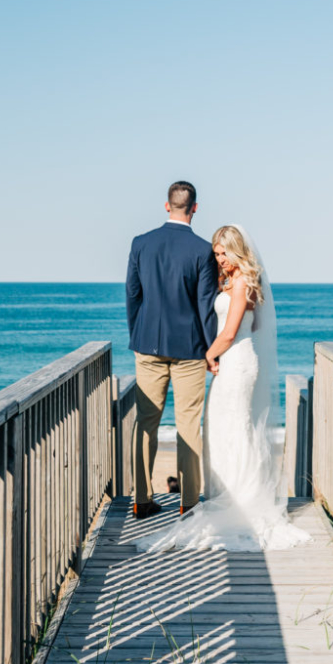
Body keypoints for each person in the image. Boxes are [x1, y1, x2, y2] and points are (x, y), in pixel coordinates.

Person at [136, 224, 308, 551]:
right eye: (215, 253)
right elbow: (251, 325)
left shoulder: (242, 282)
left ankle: (241, 503)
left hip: (238, 363)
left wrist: (207, 355)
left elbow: (230, 333)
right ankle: (230, 495)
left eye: (223, 253)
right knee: (222, 429)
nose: (218, 259)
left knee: (236, 430)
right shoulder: (235, 281)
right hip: (233, 361)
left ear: (237, 250)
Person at [126, 180, 218, 518]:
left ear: (167, 206)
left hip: (147, 343)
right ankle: (189, 501)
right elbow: (205, 305)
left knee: (146, 422)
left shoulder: (141, 244)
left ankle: (141, 499)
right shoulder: (202, 250)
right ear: (194, 208)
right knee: (188, 423)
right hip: (190, 347)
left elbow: (133, 295)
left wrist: (139, 333)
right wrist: (213, 350)